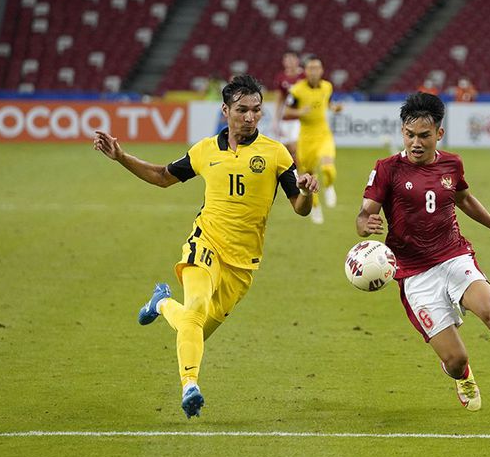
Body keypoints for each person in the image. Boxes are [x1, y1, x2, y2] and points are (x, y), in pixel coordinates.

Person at [91, 75, 319, 419]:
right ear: (225, 110)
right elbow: (161, 177)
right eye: (242, 110)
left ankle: (163, 302)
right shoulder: (204, 151)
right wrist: (121, 157)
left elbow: (300, 209)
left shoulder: (277, 155)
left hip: (243, 264)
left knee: (193, 325)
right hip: (206, 242)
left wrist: (307, 192)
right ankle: (190, 387)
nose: (250, 117)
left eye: (257, 110)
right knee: (195, 307)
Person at [356, 92, 490, 415]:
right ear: (402, 132)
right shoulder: (387, 169)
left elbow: (465, 200)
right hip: (414, 274)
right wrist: (365, 223)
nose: (415, 142)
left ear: (439, 134)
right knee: (456, 360)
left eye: (424, 136)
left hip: (454, 256)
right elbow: (363, 214)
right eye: (409, 134)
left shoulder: (451, 164)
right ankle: (462, 375)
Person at [284, 54, 342, 224]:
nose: (314, 71)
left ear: (322, 70)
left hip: (324, 135)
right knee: (309, 176)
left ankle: (329, 186)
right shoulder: (297, 90)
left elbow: (328, 102)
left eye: (317, 68)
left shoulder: (327, 87)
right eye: (310, 68)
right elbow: (286, 111)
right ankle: (315, 207)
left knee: (327, 167)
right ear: (305, 71)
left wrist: (334, 107)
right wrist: (300, 112)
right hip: (306, 139)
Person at [272, 51, 304, 159]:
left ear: (297, 60)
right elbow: (279, 99)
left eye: (291, 59)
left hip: (300, 118)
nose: (289, 62)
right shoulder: (281, 77)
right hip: (286, 117)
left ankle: (301, 172)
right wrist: (275, 120)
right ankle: (292, 173)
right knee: (285, 148)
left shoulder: (305, 76)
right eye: (286, 59)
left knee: (295, 146)